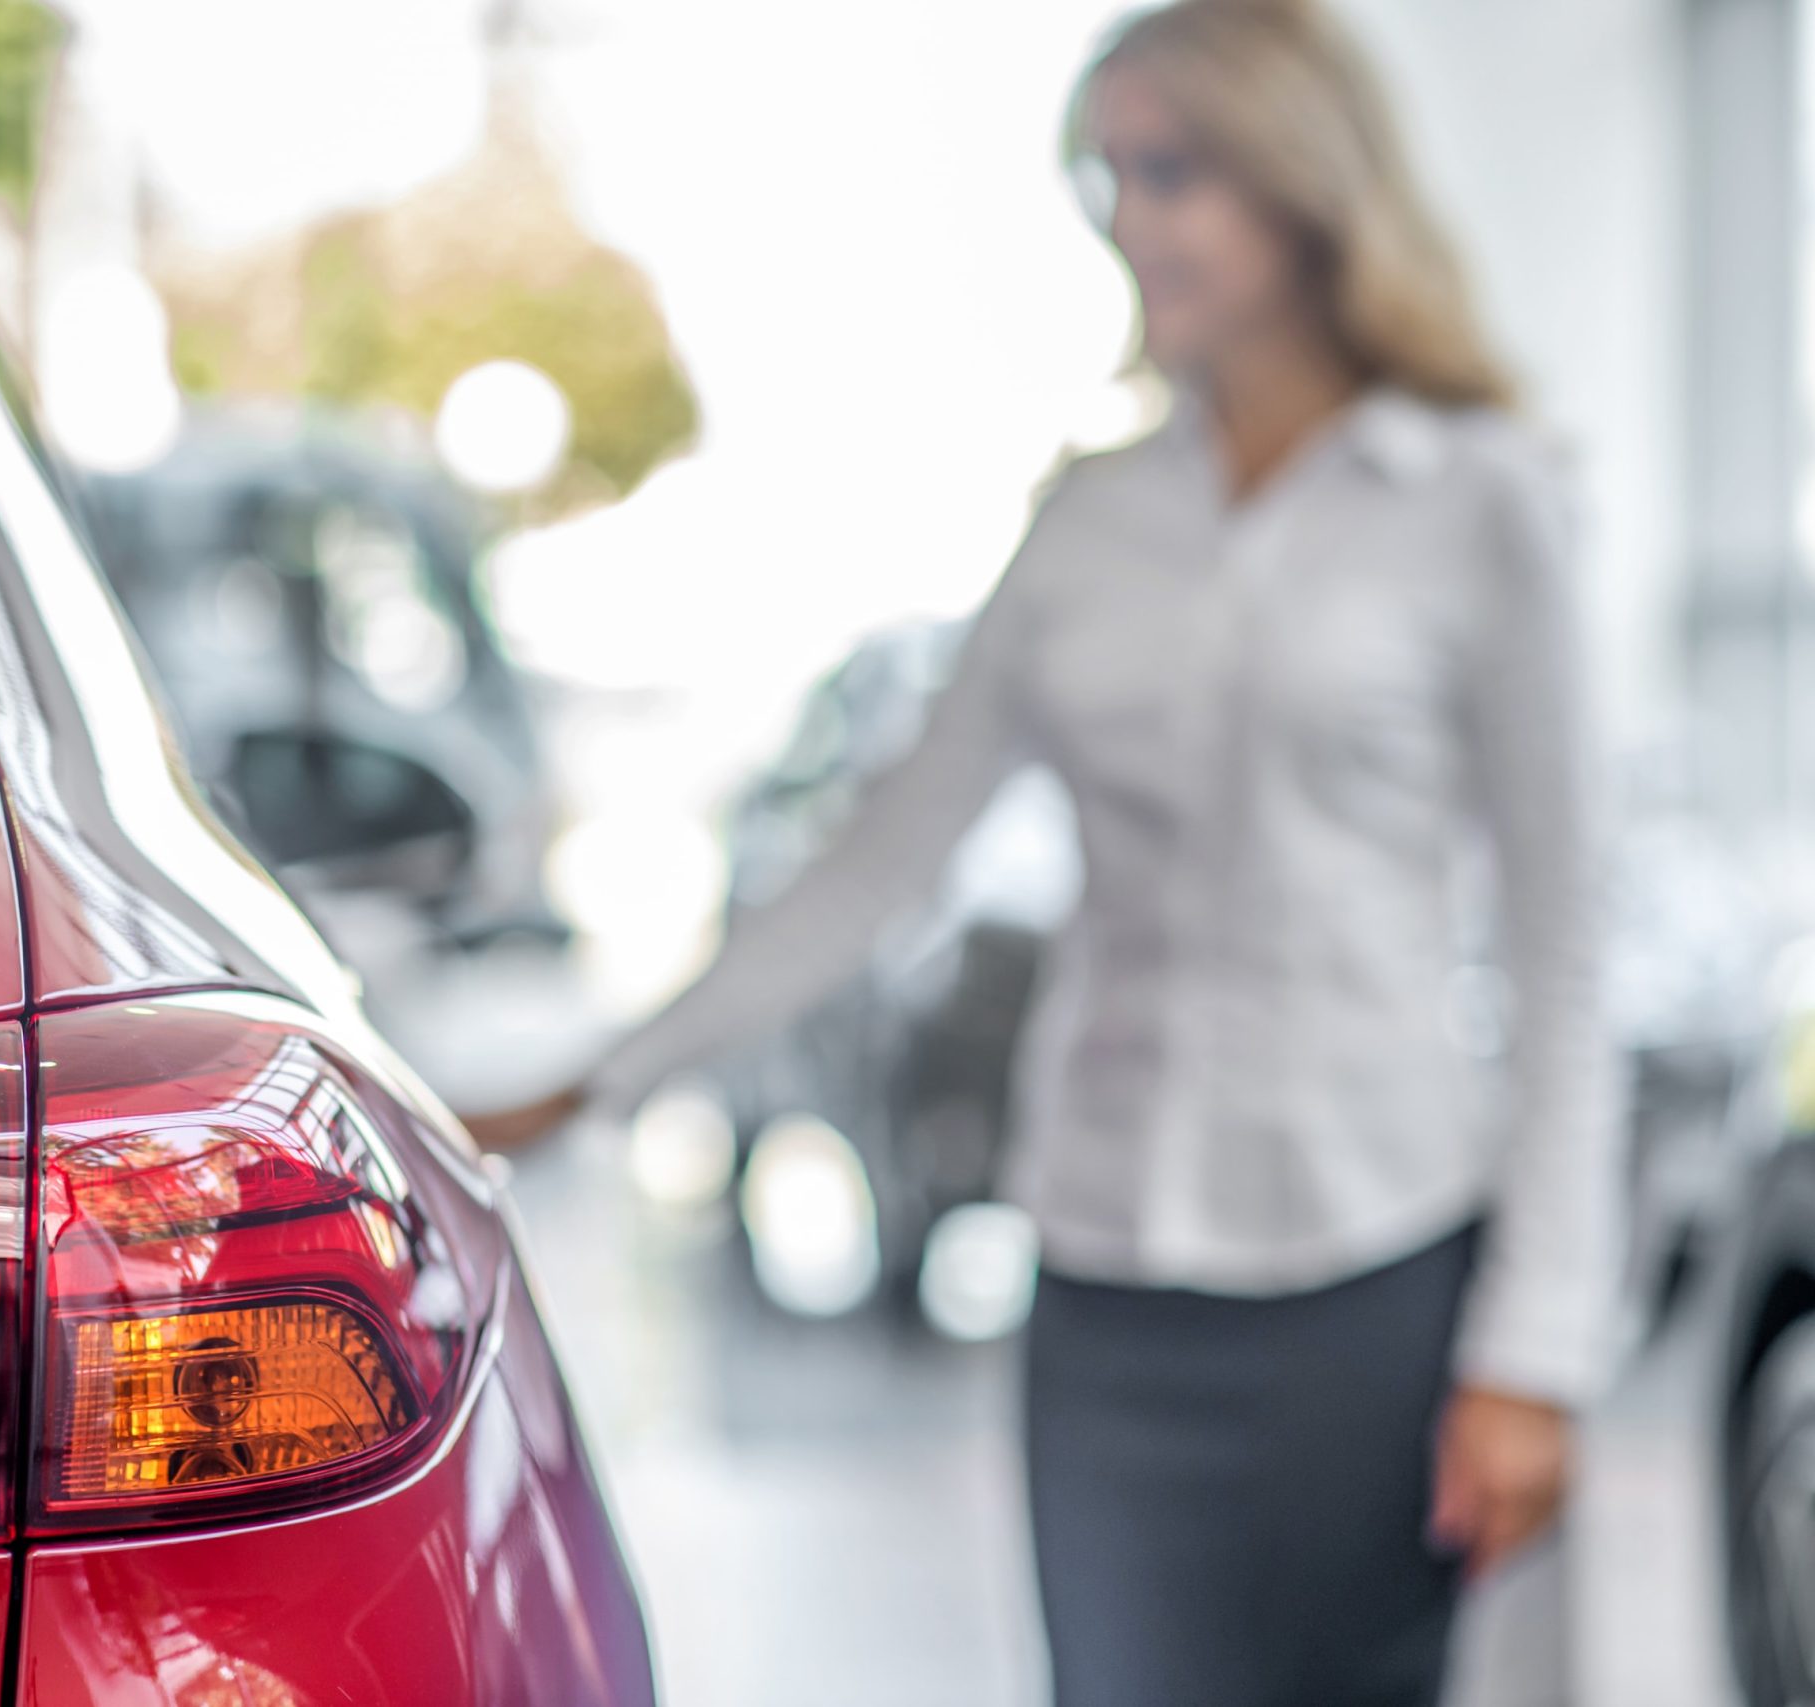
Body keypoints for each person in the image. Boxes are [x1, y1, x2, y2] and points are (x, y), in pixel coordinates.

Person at [465, 0, 1622, 1700]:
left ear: (1304, 183)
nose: (1129, 221)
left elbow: (1564, 951)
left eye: (1169, 172)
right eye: (1108, 179)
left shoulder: (1479, 504)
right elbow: (883, 859)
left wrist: (1540, 1348)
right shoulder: (1090, 516)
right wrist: (599, 1078)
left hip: (1382, 1290)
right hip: (1108, 1298)